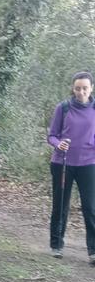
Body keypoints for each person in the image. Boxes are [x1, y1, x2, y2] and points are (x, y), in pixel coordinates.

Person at [47, 71, 95, 262]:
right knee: (60, 205)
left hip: (89, 163)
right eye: (77, 88)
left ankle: (93, 250)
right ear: (73, 88)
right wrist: (58, 144)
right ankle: (56, 245)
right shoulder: (64, 108)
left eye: (84, 88)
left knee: (90, 207)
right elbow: (51, 135)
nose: (81, 92)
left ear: (91, 88)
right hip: (62, 162)